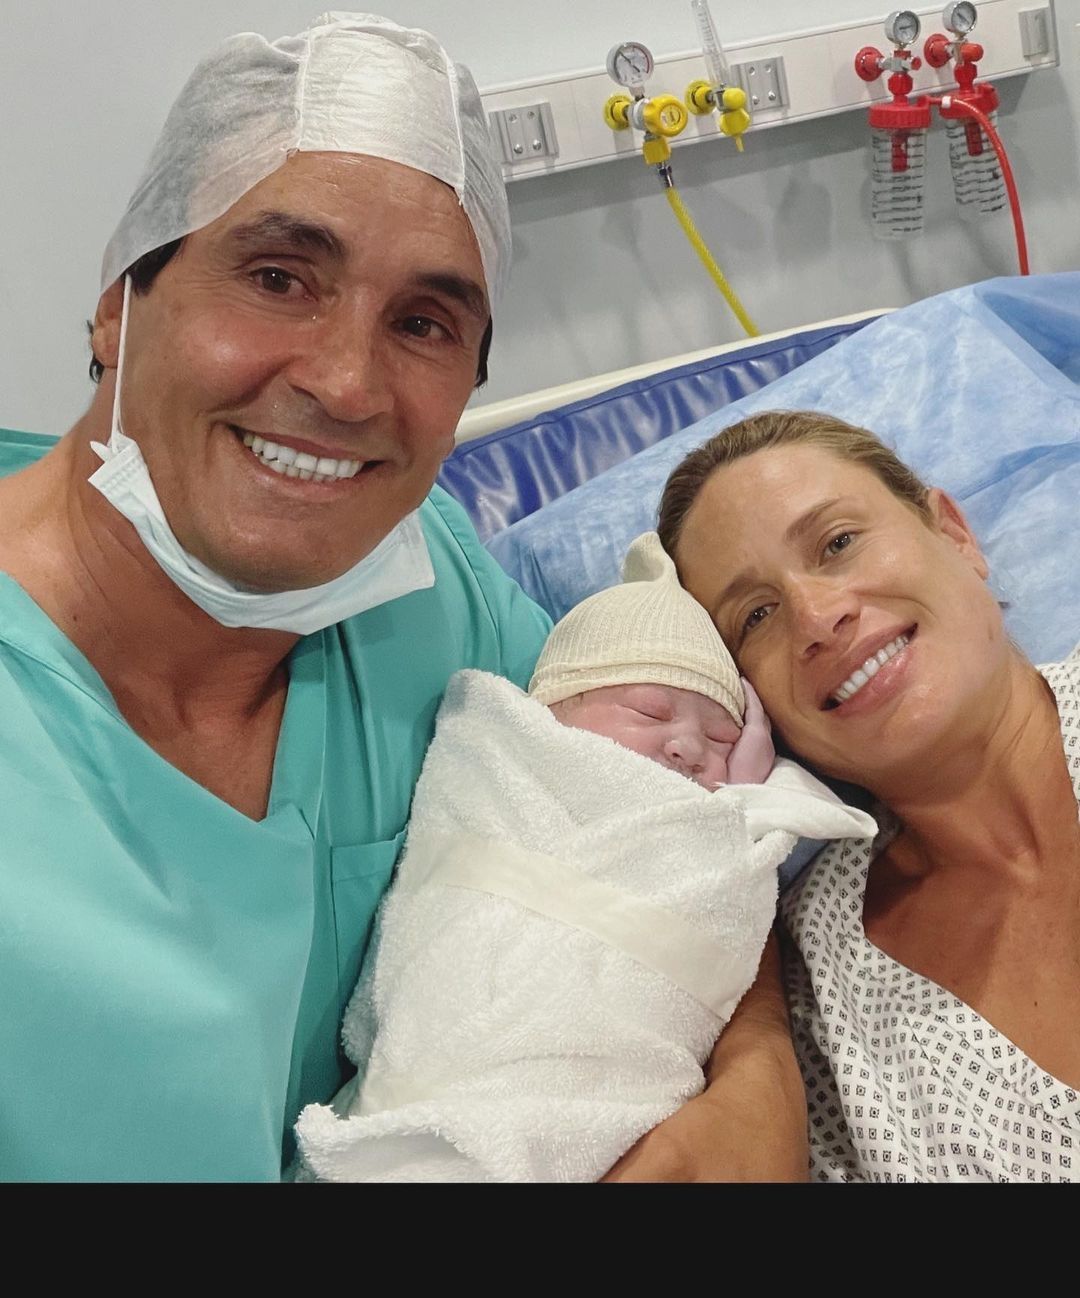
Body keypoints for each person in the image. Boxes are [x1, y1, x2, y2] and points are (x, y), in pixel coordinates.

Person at [0, 14, 805, 1184]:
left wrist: (758, 1072)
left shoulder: (435, 591)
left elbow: (658, 832)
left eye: (423, 323)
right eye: (278, 277)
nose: (345, 382)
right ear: (122, 301)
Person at [293, 532, 875, 1181]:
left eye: (720, 736)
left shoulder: (719, 829)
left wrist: (739, 797)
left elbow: (723, 901)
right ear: (551, 712)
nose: (687, 746)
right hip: (436, 1082)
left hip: (608, 1114)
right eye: (649, 712)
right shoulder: (502, 764)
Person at [655, 408, 1080, 1182]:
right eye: (756, 616)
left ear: (954, 534)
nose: (817, 619)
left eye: (838, 543)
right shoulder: (814, 994)